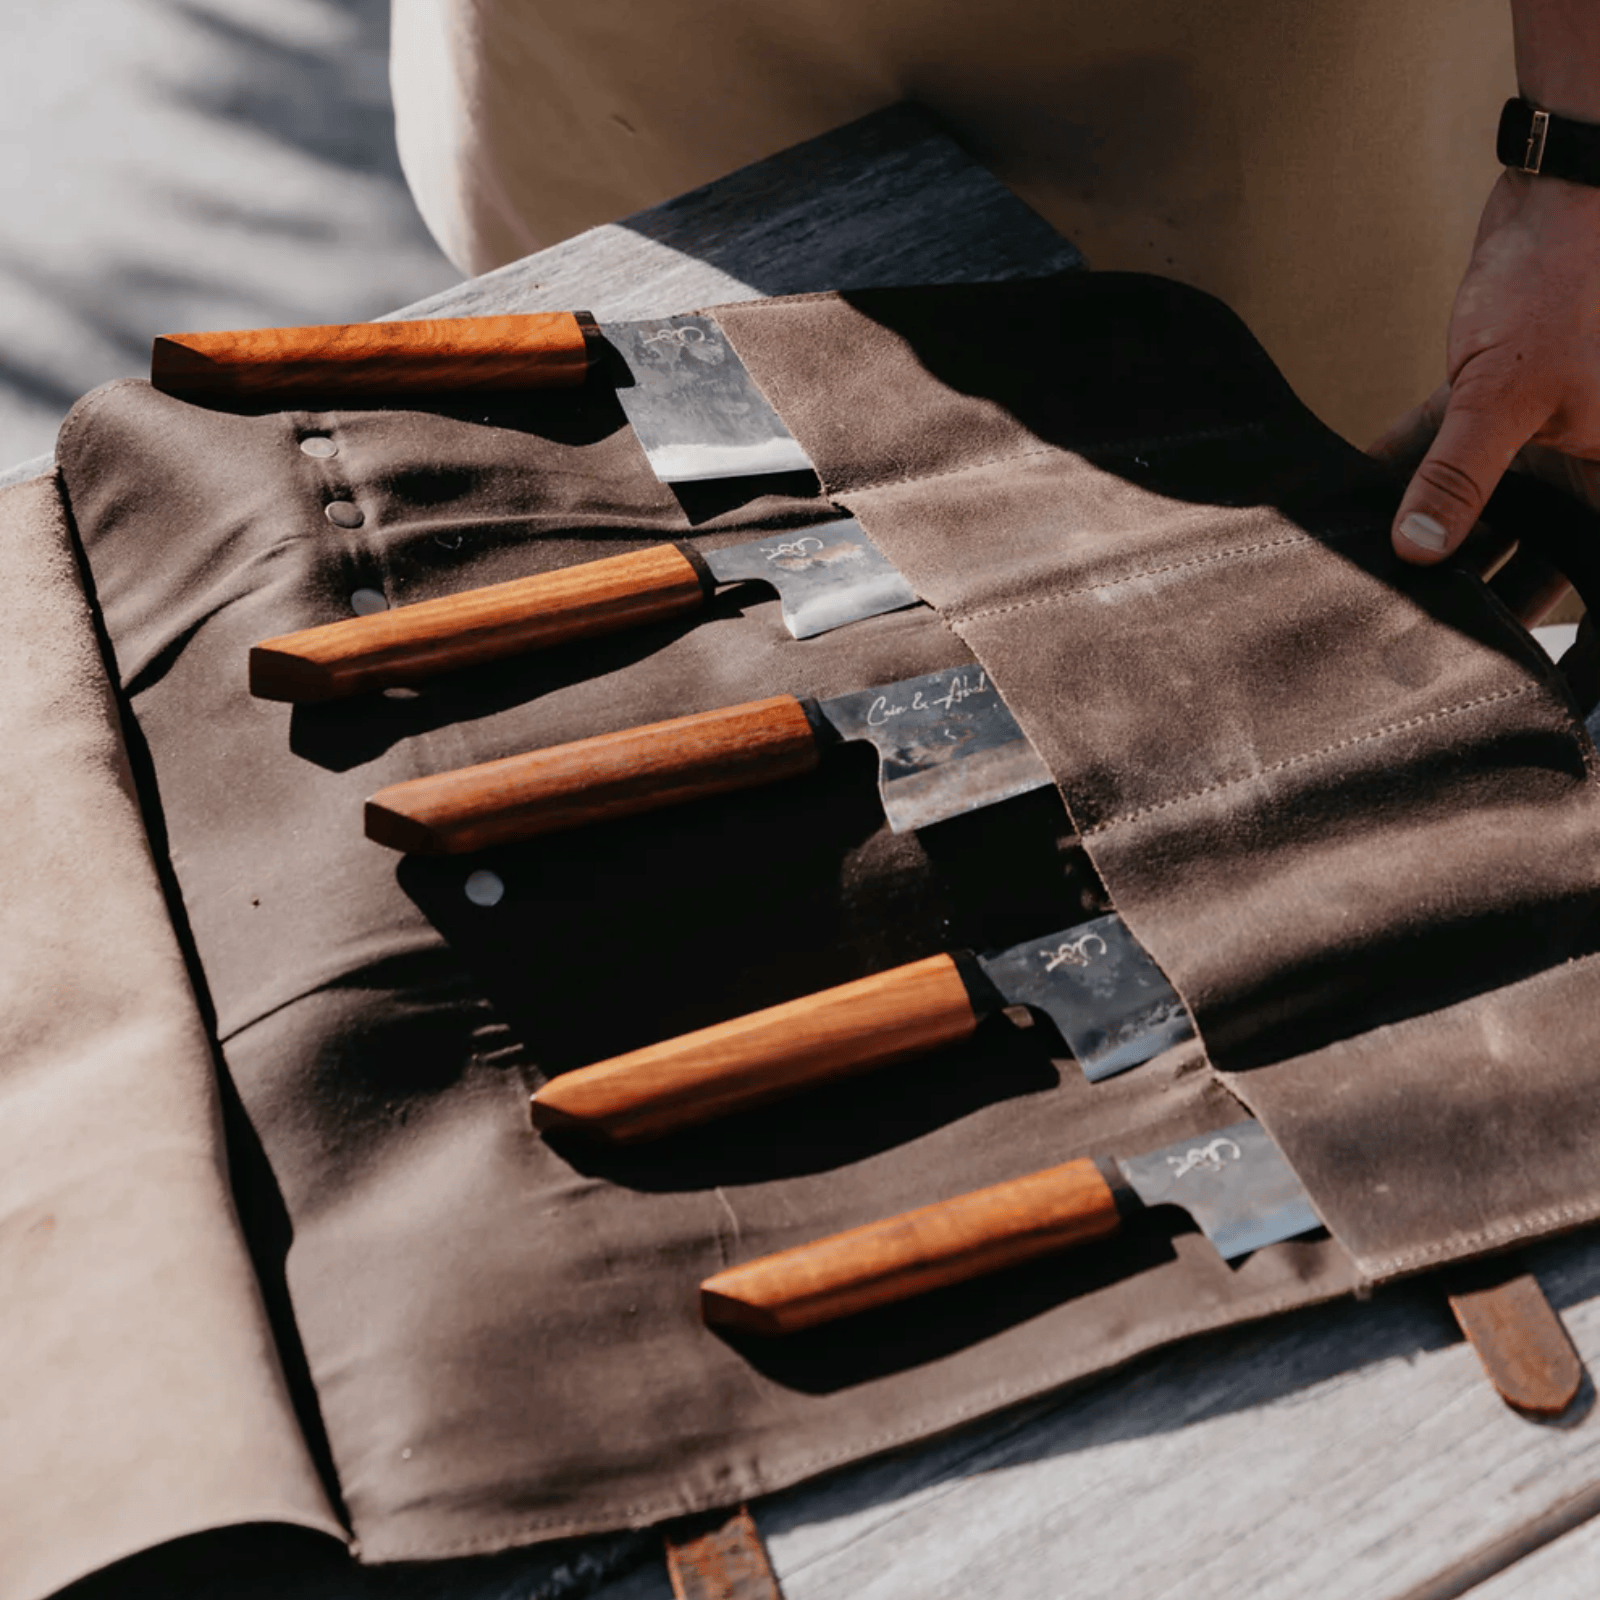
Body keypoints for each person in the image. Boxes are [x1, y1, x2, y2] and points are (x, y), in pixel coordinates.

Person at [389, 0, 1600, 564]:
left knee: (1265, 614)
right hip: (617, 58)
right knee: (646, 498)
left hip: (1212, 98)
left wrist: (1582, 164)